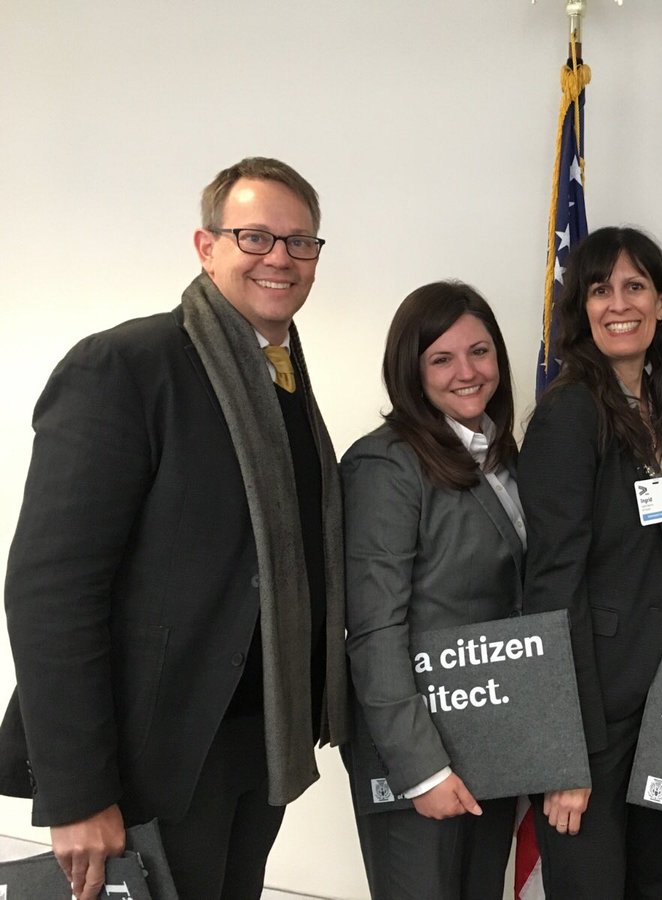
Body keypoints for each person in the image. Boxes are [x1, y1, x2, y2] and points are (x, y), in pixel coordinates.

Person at [0, 157, 349, 899]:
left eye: (300, 242)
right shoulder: (126, 366)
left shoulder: (283, 379)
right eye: (254, 236)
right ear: (206, 245)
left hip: (259, 746)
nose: (279, 257)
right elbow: (49, 591)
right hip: (149, 762)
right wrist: (79, 793)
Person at [519, 226, 662, 898]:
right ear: (582, 308)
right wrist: (562, 748)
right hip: (596, 701)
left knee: (657, 879)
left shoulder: (660, 409)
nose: (617, 303)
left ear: (661, 303)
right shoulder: (571, 413)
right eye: (600, 289)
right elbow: (550, 584)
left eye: (634, 286)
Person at [341, 282, 523, 899]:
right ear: (411, 371)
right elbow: (373, 627)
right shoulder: (386, 464)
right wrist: (422, 770)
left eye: (480, 351)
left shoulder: (501, 455)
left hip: (493, 734)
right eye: (442, 359)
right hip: (420, 746)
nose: (467, 372)